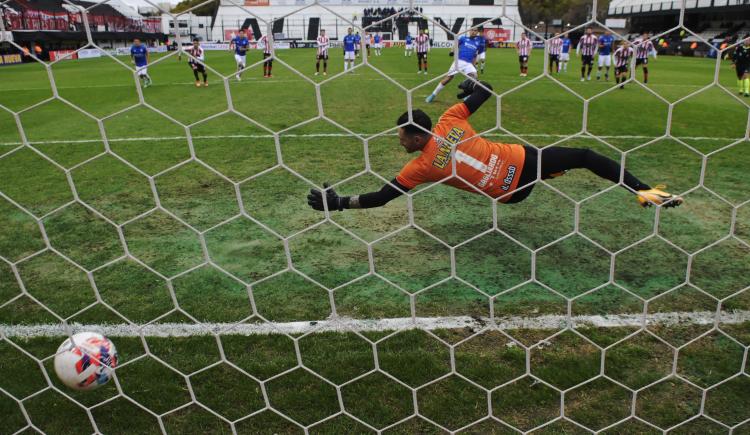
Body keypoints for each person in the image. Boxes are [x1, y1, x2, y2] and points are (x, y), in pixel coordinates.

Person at [307, 79, 683, 214]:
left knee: (579, 158)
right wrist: (470, 89)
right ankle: (643, 191)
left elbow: (379, 198)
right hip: (524, 161)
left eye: (401, 137)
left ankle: (639, 190)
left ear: (417, 138)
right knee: (584, 156)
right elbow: (486, 89)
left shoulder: (419, 167)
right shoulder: (451, 119)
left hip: (510, 192)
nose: (398, 141)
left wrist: (338, 203)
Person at [425, 29, 480, 102]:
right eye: (472, 30)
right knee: (448, 78)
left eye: (475, 31)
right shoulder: (463, 38)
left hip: (469, 64)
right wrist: (452, 51)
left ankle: (466, 95)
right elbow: (455, 45)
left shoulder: (477, 43)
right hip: (459, 61)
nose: (473, 32)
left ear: (477, 32)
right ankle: (433, 95)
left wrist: (474, 65)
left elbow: (474, 56)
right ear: (469, 31)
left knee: (474, 77)